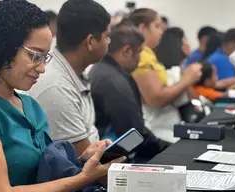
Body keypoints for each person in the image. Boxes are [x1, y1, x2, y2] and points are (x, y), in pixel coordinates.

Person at [0, 1, 123, 192]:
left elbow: (41, 173)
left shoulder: (30, 106)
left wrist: (84, 162)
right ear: (2, 49)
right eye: (35, 56)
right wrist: (83, 178)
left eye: (45, 58)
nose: (42, 68)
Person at [29, 0, 111, 155]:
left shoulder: (75, 73)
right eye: (107, 36)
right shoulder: (57, 88)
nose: (109, 42)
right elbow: (84, 166)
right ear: (91, 42)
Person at [89, 25, 169, 160]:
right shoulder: (115, 82)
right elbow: (133, 135)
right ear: (127, 51)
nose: (139, 59)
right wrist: (166, 149)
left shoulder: (100, 69)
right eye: (139, 52)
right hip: (113, 158)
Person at [128, 8, 202, 142]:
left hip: (168, 122)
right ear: (142, 28)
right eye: (157, 27)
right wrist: (186, 80)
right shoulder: (142, 57)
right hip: (157, 125)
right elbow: (156, 99)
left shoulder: (149, 54)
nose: (161, 32)